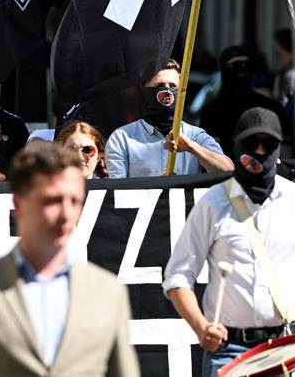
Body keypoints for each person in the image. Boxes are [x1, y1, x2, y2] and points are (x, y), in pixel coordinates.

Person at [0, 142, 139, 376]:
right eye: (52, 200)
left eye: (75, 201)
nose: (66, 213)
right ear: (18, 205)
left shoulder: (107, 292)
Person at [164, 107, 295, 376]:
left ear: (279, 150)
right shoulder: (213, 203)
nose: (260, 151)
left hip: (286, 346)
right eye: (252, 143)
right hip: (228, 351)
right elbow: (177, 276)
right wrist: (201, 327)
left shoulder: (292, 201)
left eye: (268, 144)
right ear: (237, 147)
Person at [106, 59, 233, 178]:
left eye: (172, 85)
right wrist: (158, 186)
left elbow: (228, 171)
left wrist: (191, 147)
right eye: (160, 85)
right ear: (145, 91)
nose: (167, 90)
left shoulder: (195, 136)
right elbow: (117, 189)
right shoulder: (122, 139)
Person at [200, 45, 289, 155]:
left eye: (247, 65)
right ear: (224, 69)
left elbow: (285, 148)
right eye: (236, 66)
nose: (242, 69)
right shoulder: (212, 112)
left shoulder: (272, 108)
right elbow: (209, 153)